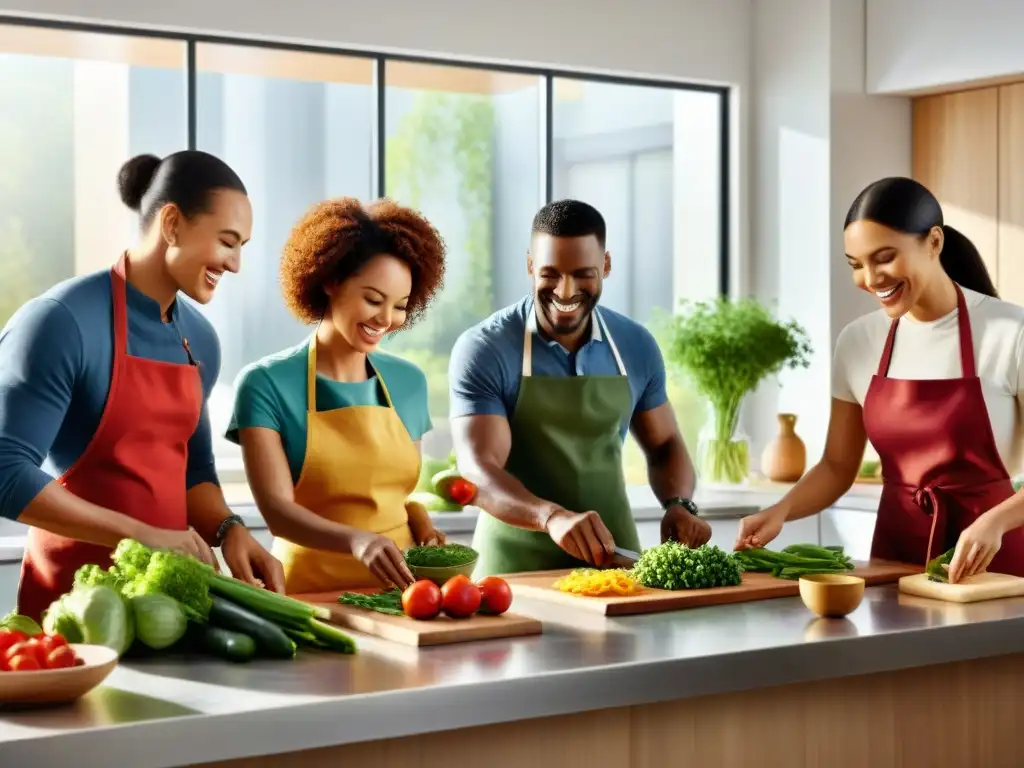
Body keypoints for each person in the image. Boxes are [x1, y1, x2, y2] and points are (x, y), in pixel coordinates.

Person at [0, 150, 285, 621]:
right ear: (171, 223)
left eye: (242, 247)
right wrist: (138, 533)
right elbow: (6, 471)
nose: (235, 264)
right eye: (227, 241)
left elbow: (193, 473)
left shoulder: (201, 341)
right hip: (71, 614)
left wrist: (230, 529)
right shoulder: (60, 322)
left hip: (169, 616)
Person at [735, 176, 1024, 585]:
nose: (871, 279)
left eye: (884, 258)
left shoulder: (1010, 331)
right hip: (894, 554)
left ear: (934, 243)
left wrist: (995, 522)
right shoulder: (858, 341)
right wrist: (780, 510)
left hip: (992, 556)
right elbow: (837, 466)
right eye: (856, 265)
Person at [448, 199, 708, 577]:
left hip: (616, 563)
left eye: (582, 273)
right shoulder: (485, 348)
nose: (565, 290)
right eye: (550, 273)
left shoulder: (635, 345)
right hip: (514, 571)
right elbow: (478, 469)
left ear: (606, 265)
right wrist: (550, 516)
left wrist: (679, 503)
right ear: (530, 266)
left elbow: (665, 443)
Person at [226, 197, 448, 595]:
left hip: (401, 595)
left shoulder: (409, 382)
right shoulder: (265, 384)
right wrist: (356, 540)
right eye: (373, 299)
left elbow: (393, 491)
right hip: (310, 593)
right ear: (330, 280)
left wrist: (418, 518)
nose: (386, 320)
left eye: (400, 306)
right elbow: (278, 514)